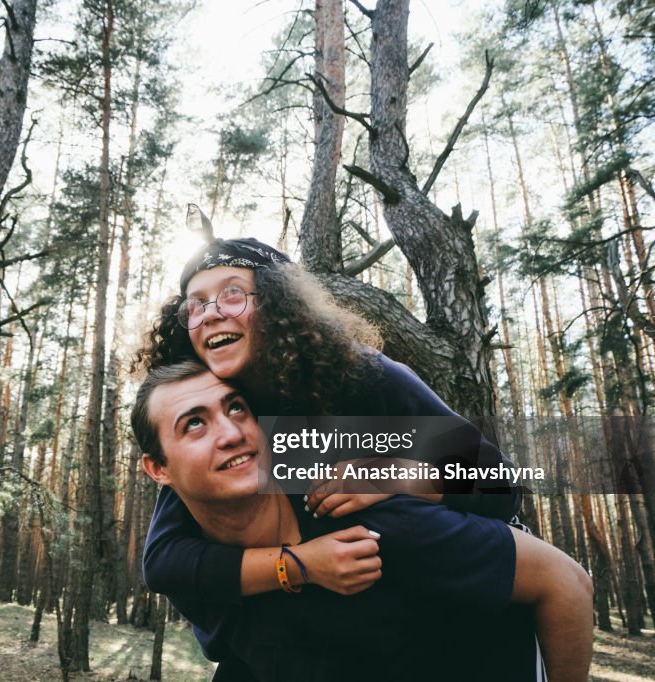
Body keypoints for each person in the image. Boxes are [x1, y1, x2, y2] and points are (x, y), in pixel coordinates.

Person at [132, 361, 594, 681]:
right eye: (194, 424)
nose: (231, 433)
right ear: (158, 470)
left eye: (237, 408)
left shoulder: (365, 521)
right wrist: (297, 567)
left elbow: (566, 580)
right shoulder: (195, 572)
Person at [136, 237, 526, 613]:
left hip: (476, 596)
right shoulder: (223, 416)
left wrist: (397, 475)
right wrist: (299, 565)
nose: (211, 313)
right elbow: (166, 560)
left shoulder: (364, 376)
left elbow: (501, 484)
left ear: (277, 304)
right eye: (195, 305)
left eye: (233, 293)